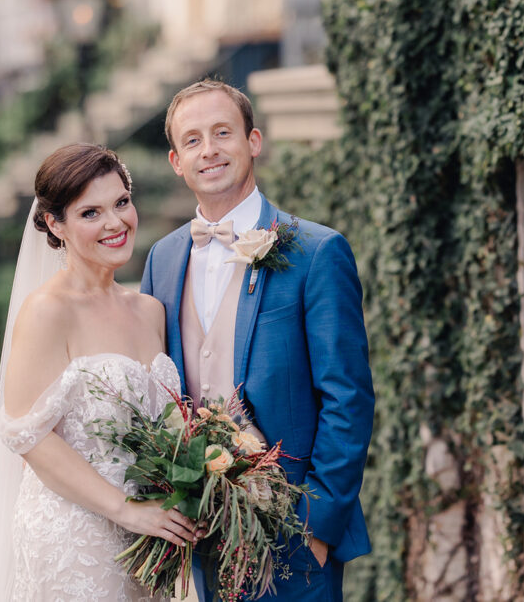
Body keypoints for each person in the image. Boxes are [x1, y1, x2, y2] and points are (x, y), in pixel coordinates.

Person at [141, 80, 375, 601]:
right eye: (194, 140)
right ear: (177, 161)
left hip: (292, 534)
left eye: (223, 132)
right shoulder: (162, 258)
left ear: (254, 141)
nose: (211, 150)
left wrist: (315, 526)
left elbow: (348, 396)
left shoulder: (317, 252)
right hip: (201, 532)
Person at [0, 143, 199, 601]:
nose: (115, 223)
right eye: (90, 213)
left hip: (148, 535)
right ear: (56, 225)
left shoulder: (150, 310)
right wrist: (126, 510)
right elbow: (29, 437)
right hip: (76, 538)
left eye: (121, 203)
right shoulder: (47, 311)